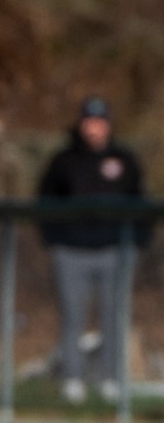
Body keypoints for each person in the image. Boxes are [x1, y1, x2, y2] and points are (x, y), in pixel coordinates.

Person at [38, 96, 149, 404]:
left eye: (100, 122)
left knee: (114, 315)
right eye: (89, 121)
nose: (94, 128)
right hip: (71, 250)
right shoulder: (64, 161)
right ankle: (72, 379)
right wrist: (54, 239)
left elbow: (141, 201)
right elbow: (45, 200)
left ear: (108, 125)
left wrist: (139, 241)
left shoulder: (124, 160)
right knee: (73, 316)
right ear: (80, 123)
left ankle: (110, 379)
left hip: (114, 250)